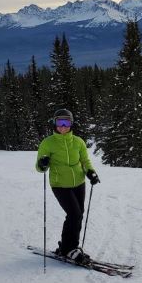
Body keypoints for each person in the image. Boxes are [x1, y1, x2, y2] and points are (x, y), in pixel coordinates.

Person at [36, 109, 100, 262]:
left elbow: (85, 161)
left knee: (78, 215)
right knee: (74, 214)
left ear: (71, 124)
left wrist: (91, 172)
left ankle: (71, 246)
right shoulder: (48, 143)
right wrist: (43, 163)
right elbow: (39, 168)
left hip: (79, 182)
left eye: (66, 122)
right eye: (60, 122)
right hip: (59, 184)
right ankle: (67, 249)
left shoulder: (78, 142)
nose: (63, 126)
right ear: (55, 123)